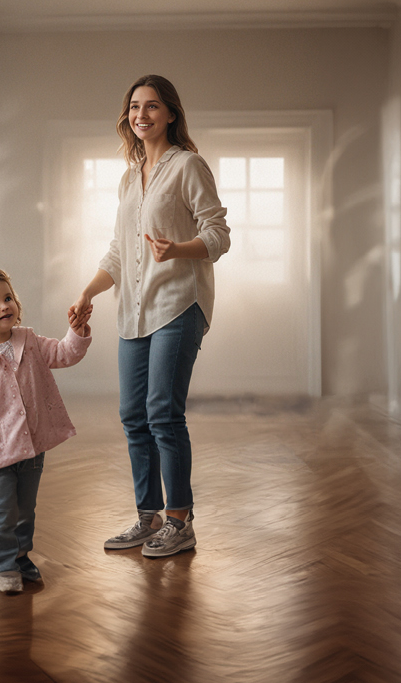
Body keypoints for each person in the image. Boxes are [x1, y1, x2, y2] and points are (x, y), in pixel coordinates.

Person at [69, 75, 229, 558]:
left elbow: (219, 235)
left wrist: (178, 248)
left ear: (171, 114)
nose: (142, 114)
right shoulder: (128, 177)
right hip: (132, 312)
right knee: (133, 416)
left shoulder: (188, 166)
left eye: (153, 106)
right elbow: (119, 251)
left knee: (163, 413)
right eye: (135, 106)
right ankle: (148, 516)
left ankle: (180, 522)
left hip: (179, 304)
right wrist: (88, 293)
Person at [0, 265, 92, 593]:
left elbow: (65, 354)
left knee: (26, 512)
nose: (4, 306)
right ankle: (5, 564)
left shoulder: (31, 342)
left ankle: (22, 556)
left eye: (7, 297)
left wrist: (77, 332)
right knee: (4, 514)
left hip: (32, 449)